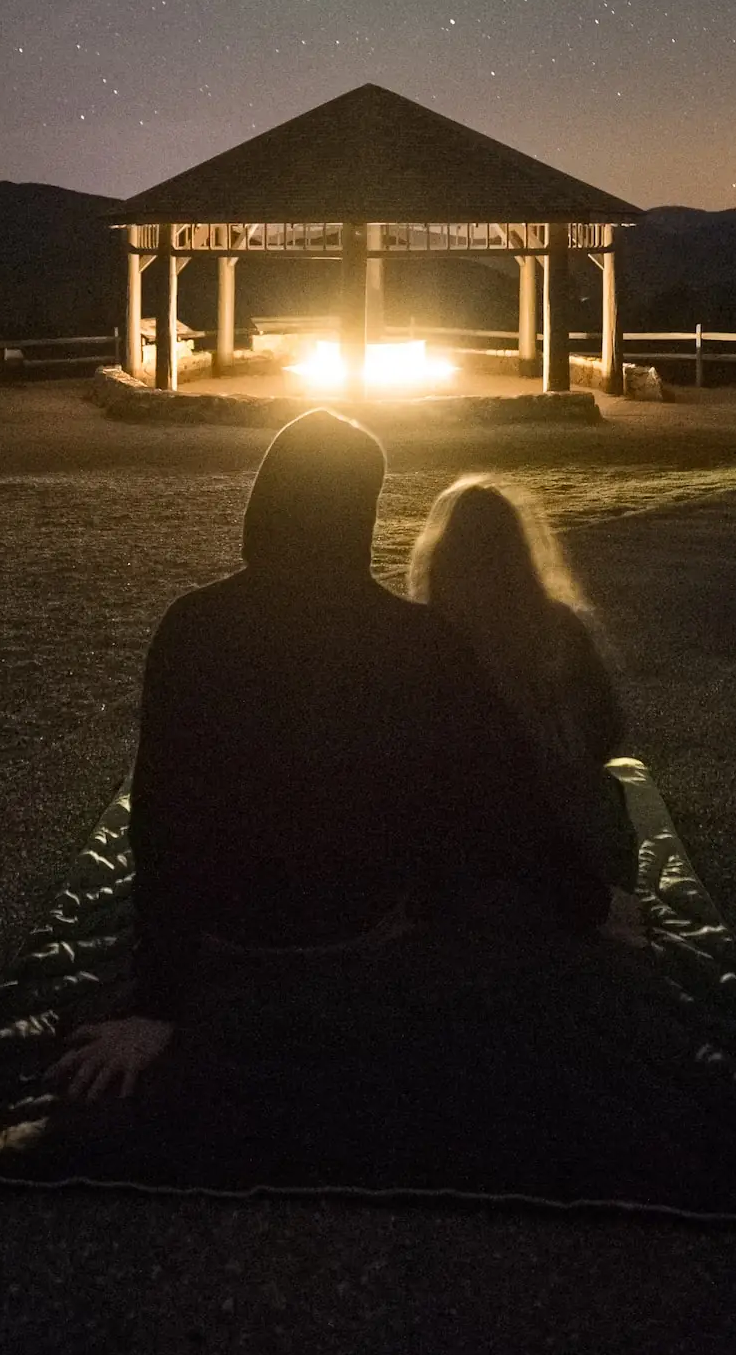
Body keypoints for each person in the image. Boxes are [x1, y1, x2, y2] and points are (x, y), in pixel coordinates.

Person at [47, 410, 612, 1104]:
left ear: (267, 500)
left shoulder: (193, 626)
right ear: (361, 513)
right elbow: (493, 791)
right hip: (360, 914)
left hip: (227, 921)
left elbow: (165, 814)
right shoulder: (418, 640)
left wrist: (156, 1000)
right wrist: (585, 899)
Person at [406, 479, 639, 896]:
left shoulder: (421, 640)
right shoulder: (558, 627)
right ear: (520, 554)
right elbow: (607, 729)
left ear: (441, 556)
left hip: (461, 865)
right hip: (573, 856)